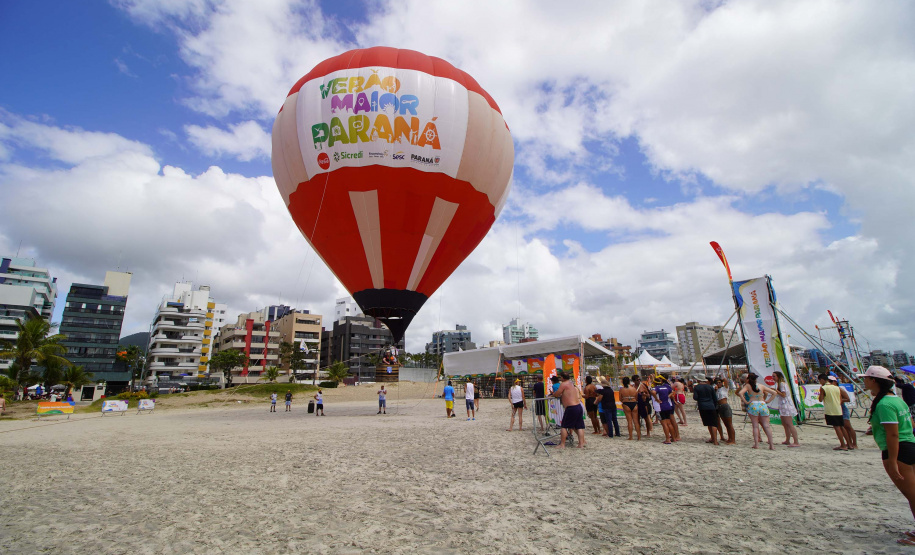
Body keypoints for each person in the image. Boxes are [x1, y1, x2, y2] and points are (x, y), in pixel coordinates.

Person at [862, 366, 915, 547]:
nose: (864, 381)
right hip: (910, 445)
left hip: (898, 450)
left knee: (912, 494)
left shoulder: (884, 403)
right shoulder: (897, 400)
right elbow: (909, 423)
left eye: (867, 378)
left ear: (874, 380)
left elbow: (893, 435)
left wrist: (892, 460)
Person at [739, 373, 777, 450]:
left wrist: (746, 401)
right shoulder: (761, 386)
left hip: (753, 404)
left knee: (755, 426)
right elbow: (774, 393)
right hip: (762, 404)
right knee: (766, 425)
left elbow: (740, 393)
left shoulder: (748, 386)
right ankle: (771, 445)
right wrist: (768, 401)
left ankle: (756, 444)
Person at [551, 372, 586, 448]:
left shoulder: (564, 384)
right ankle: (581, 444)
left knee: (564, 426)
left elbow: (557, 393)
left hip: (571, 407)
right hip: (578, 406)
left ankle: (562, 444)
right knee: (579, 426)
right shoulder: (571, 383)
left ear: (562, 377)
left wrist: (553, 394)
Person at [819, 374, 850, 451]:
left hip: (830, 409)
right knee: (842, 427)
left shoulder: (823, 388)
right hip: (838, 409)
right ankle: (849, 444)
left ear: (822, 380)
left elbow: (820, 399)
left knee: (837, 427)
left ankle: (843, 445)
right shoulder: (836, 388)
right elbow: (840, 399)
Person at [770, 371, 799, 447]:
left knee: (789, 424)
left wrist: (776, 391)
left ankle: (796, 441)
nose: (773, 378)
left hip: (786, 405)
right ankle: (787, 440)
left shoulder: (782, 384)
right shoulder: (779, 384)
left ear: (778, 377)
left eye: (774, 376)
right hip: (782, 406)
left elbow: (783, 395)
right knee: (785, 424)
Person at [693, 375, 721, 445]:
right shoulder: (710, 387)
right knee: (714, 423)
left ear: (698, 380)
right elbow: (715, 398)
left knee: (708, 423)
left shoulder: (697, 387)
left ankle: (712, 437)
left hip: (702, 406)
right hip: (711, 405)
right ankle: (715, 440)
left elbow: (695, 397)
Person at [650, 375, 677, 444]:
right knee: (669, 423)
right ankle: (673, 438)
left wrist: (656, 399)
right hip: (667, 405)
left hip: (660, 407)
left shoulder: (656, 388)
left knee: (664, 424)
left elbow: (653, 392)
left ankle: (667, 439)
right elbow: (672, 392)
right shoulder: (666, 387)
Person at [715, 377, 736, 444]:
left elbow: (726, 380)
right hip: (719, 406)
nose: (718, 384)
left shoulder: (724, 388)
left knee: (729, 424)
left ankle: (733, 439)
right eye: (717, 383)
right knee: (726, 424)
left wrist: (721, 377)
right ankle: (729, 438)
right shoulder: (716, 390)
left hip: (725, 406)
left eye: (719, 382)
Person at [839, 380, 858, 450]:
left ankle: (855, 443)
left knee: (848, 426)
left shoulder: (839, 389)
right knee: (843, 427)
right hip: (837, 409)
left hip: (843, 408)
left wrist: (839, 400)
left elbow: (847, 399)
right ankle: (849, 442)